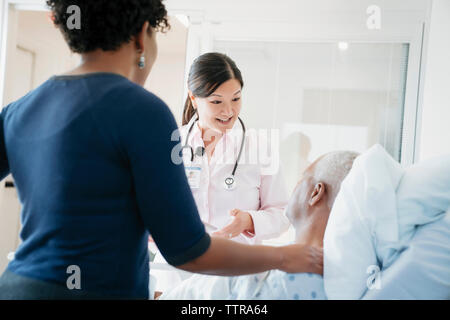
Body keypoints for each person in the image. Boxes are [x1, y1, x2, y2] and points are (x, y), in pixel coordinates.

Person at [0, 0, 322, 300]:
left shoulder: (19, 110)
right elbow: (188, 250)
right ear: (143, 34)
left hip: (15, 286)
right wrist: (286, 256)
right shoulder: (143, 112)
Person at [160, 151, 358, 300]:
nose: (294, 186)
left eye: (303, 177)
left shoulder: (258, 276)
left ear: (316, 193)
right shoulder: (345, 280)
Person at [179, 52, 290, 244]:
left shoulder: (260, 149)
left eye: (236, 99)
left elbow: (283, 214)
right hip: (178, 267)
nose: (229, 111)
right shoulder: (169, 145)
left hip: (235, 268)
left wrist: (250, 221)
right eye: (216, 101)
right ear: (194, 98)